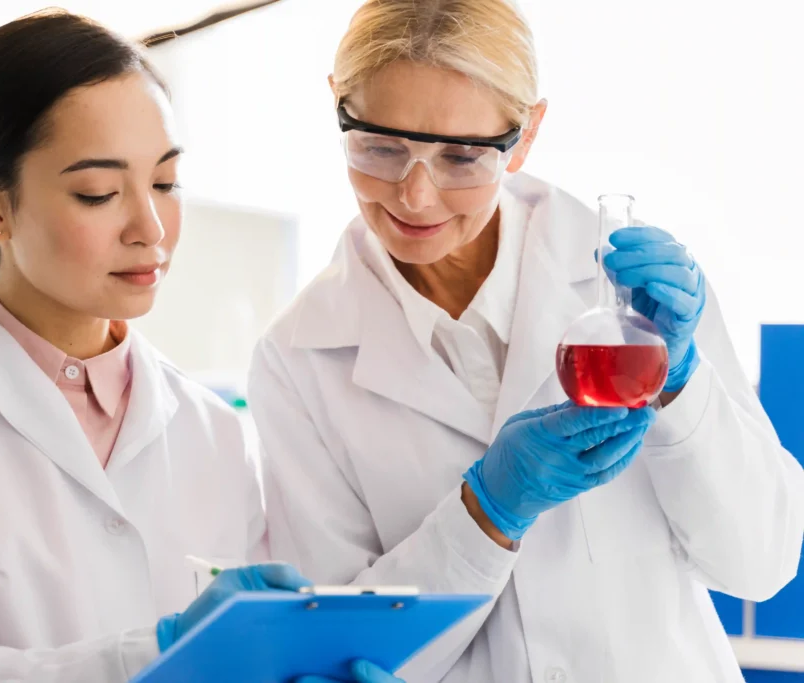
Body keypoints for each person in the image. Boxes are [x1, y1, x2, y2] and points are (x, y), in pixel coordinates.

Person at [247, 1, 804, 681]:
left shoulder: (637, 298)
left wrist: (682, 382)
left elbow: (762, 561)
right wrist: (487, 511)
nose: (415, 195)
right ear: (336, 103)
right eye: (381, 146)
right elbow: (336, 648)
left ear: (528, 133)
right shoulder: (299, 359)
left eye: (461, 155)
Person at [0, 11, 339, 683]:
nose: (151, 227)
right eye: (98, 192)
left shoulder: (214, 432)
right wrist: (159, 651)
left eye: (166, 182)